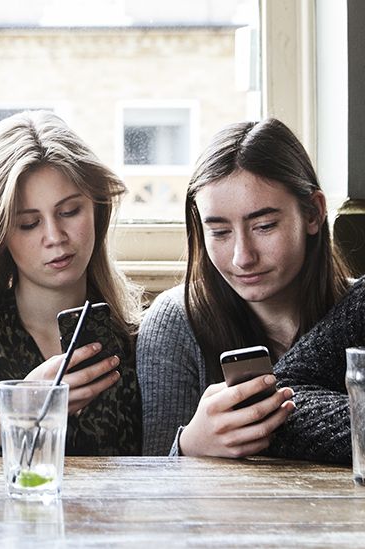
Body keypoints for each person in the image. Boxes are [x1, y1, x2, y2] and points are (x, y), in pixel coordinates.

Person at [138, 118, 352, 457]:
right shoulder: (177, 323)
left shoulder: (355, 311)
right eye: (220, 232)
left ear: (313, 213)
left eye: (264, 226)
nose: (243, 257)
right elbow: (148, 482)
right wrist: (189, 446)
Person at [0, 111, 142, 456]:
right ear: (0, 234)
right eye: (29, 223)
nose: (55, 237)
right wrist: (14, 419)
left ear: (97, 209)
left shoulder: (139, 338)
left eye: (68, 212)